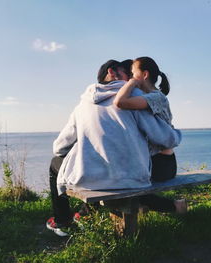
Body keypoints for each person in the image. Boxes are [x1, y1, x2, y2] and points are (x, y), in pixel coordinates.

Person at [46, 59, 182, 236]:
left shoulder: (82, 105)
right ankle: (85, 214)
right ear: (114, 72)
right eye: (129, 74)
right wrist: (175, 134)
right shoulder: (134, 99)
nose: (131, 79)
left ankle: (62, 221)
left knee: (56, 163)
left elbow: (59, 147)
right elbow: (165, 138)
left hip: (91, 180)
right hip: (133, 180)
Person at [114, 56, 186, 213]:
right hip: (154, 161)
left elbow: (120, 102)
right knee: (123, 182)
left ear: (144, 75)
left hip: (163, 164)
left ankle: (177, 207)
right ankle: (145, 207)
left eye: (133, 73)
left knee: (128, 185)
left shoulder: (156, 97)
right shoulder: (148, 97)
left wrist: (131, 82)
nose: (131, 77)